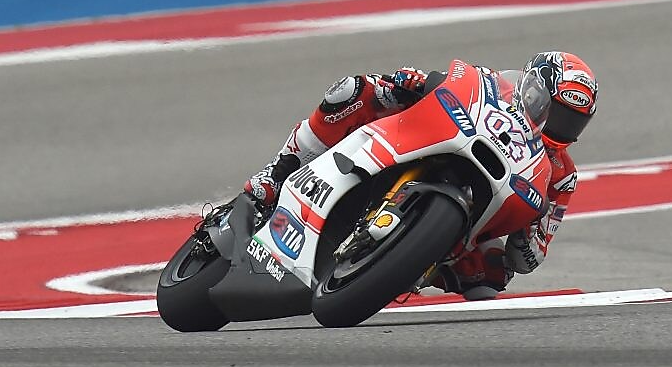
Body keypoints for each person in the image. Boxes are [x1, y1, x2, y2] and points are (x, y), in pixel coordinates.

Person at [241, 52, 598, 300]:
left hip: (481, 211)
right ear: (535, 91)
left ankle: (409, 264)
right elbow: (451, 84)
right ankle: (279, 171)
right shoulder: (492, 83)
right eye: (558, 113)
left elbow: (531, 256)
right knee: (351, 92)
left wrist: (528, 232)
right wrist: (415, 81)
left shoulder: (561, 176)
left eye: (573, 122)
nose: (562, 128)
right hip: (429, 138)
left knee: (490, 275)